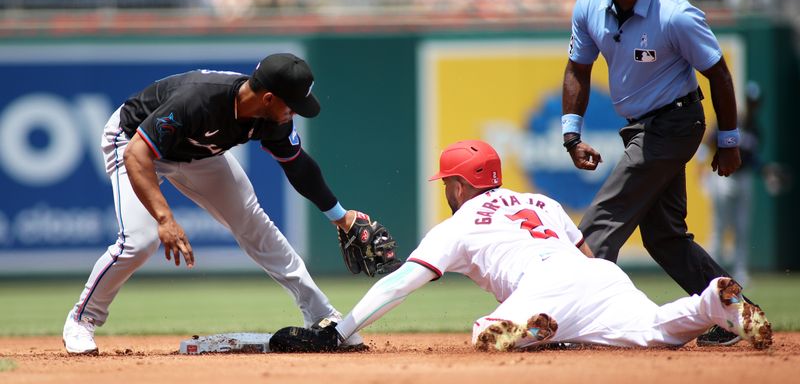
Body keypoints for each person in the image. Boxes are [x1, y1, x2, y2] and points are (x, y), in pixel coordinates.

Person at [268, 140, 772, 352]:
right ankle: (713, 303)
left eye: (447, 183)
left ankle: (526, 328)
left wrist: (343, 329)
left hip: (541, 289)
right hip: (598, 275)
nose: (446, 190)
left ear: (460, 187)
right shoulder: (541, 199)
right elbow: (590, 259)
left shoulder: (461, 221)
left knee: (485, 333)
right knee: (655, 331)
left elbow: (401, 283)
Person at [62, 53, 369, 355]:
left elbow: (298, 165)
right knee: (139, 241)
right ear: (269, 98)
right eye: (292, 105)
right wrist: (165, 218)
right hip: (133, 142)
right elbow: (137, 155)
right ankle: (81, 319)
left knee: (254, 224)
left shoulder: (272, 118)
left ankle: (323, 316)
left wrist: (340, 217)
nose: (295, 113)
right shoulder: (198, 99)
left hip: (199, 154)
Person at [560, 0, 746, 347]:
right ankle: (738, 313)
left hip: (676, 122)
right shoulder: (590, 3)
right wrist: (572, 135)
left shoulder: (675, 13)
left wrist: (729, 140)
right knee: (664, 238)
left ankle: (569, 322)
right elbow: (577, 68)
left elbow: (718, 73)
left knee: (602, 221)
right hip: (639, 129)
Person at [702, 81, 764, 286]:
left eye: (755, 102)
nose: (752, 105)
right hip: (722, 176)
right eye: (749, 101)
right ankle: (714, 274)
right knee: (719, 226)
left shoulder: (755, 128)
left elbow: (752, 157)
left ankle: (740, 272)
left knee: (741, 228)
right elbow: (709, 140)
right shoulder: (730, 120)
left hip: (743, 177)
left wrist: (764, 170)